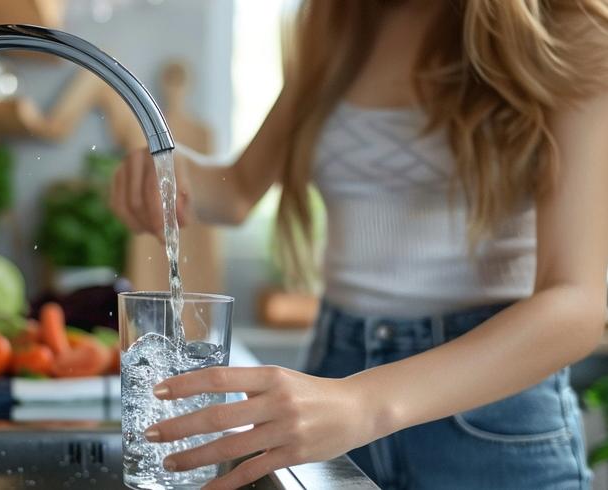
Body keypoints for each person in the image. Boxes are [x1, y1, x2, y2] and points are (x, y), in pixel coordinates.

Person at [110, 1, 608, 488]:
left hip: (488, 412)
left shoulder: (570, 26)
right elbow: (238, 190)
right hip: (336, 379)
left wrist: (365, 403)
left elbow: (578, 304)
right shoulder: (341, 20)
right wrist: (172, 170)